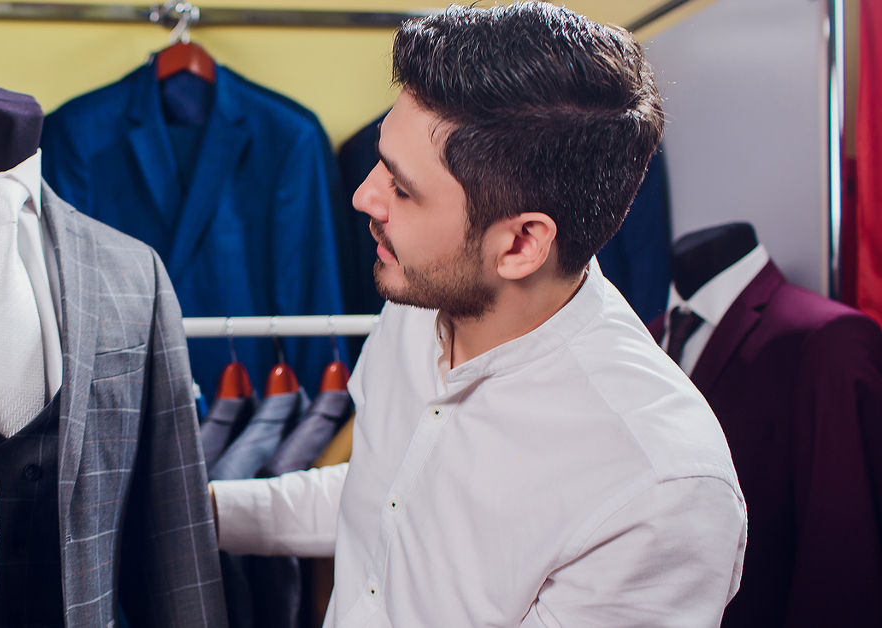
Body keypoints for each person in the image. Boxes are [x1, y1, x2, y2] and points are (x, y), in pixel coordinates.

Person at [208, 3, 747, 626]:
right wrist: (196, 507)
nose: (362, 195)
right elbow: (382, 498)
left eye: (402, 188)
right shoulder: (424, 302)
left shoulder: (658, 487)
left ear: (519, 244)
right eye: (381, 161)